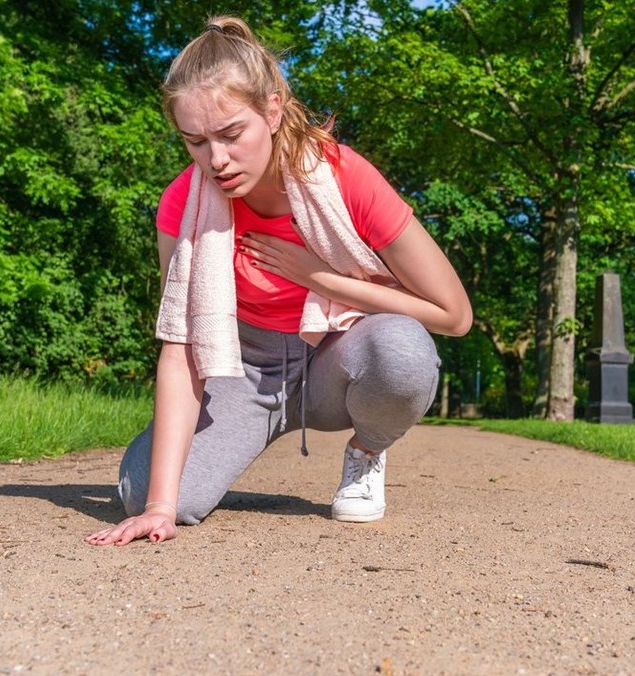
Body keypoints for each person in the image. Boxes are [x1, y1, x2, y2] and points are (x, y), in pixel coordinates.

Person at [86, 16, 471, 547]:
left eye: (230, 134)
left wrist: (324, 279)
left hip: (336, 355)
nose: (215, 160)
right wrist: (159, 504)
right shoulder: (183, 202)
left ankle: (365, 451)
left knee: (401, 353)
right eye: (194, 141)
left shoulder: (345, 178)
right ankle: (204, 444)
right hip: (239, 370)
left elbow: (454, 316)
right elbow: (181, 345)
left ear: (272, 109)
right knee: (150, 497)